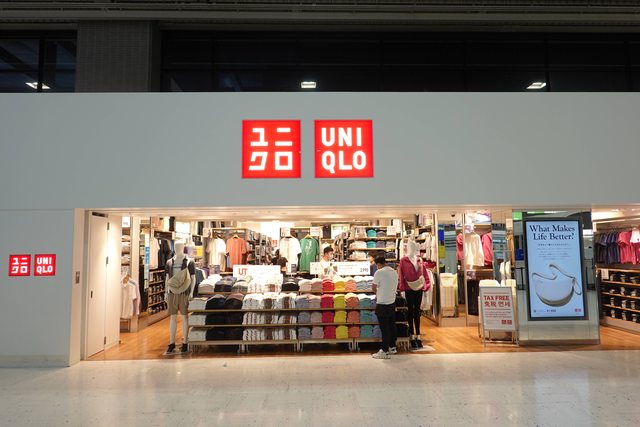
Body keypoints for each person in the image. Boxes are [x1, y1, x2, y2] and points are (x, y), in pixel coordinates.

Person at [398, 239, 430, 349]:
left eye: (413, 246)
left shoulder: (419, 260)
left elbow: (424, 274)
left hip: (419, 288)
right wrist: (402, 289)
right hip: (408, 288)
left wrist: (426, 287)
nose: (411, 248)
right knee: (410, 312)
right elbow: (401, 275)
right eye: (410, 246)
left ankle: (418, 335)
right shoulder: (403, 261)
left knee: (417, 312)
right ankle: (411, 335)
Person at [164, 242, 195, 355]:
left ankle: (185, 342)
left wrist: (191, 292)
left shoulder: (189, 261)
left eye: (179, 246)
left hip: (184, 292)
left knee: (184, 317)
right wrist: (166, 292)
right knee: (172, 317)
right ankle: (171, 343)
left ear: (183, 248)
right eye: (176, 247)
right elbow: (167, 278)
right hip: (172, 292)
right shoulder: (169, 262)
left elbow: (193, 278)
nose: (177, 248)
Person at [371, 255, 398, 359]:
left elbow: (373, 287)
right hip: (392, 302)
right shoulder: (394, 271)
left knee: (384, 328)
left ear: (378, 264)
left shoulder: (379, 272)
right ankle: (392, 347)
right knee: (391, 326)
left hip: (382, 303)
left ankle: (384, 350)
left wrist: (378, 292)